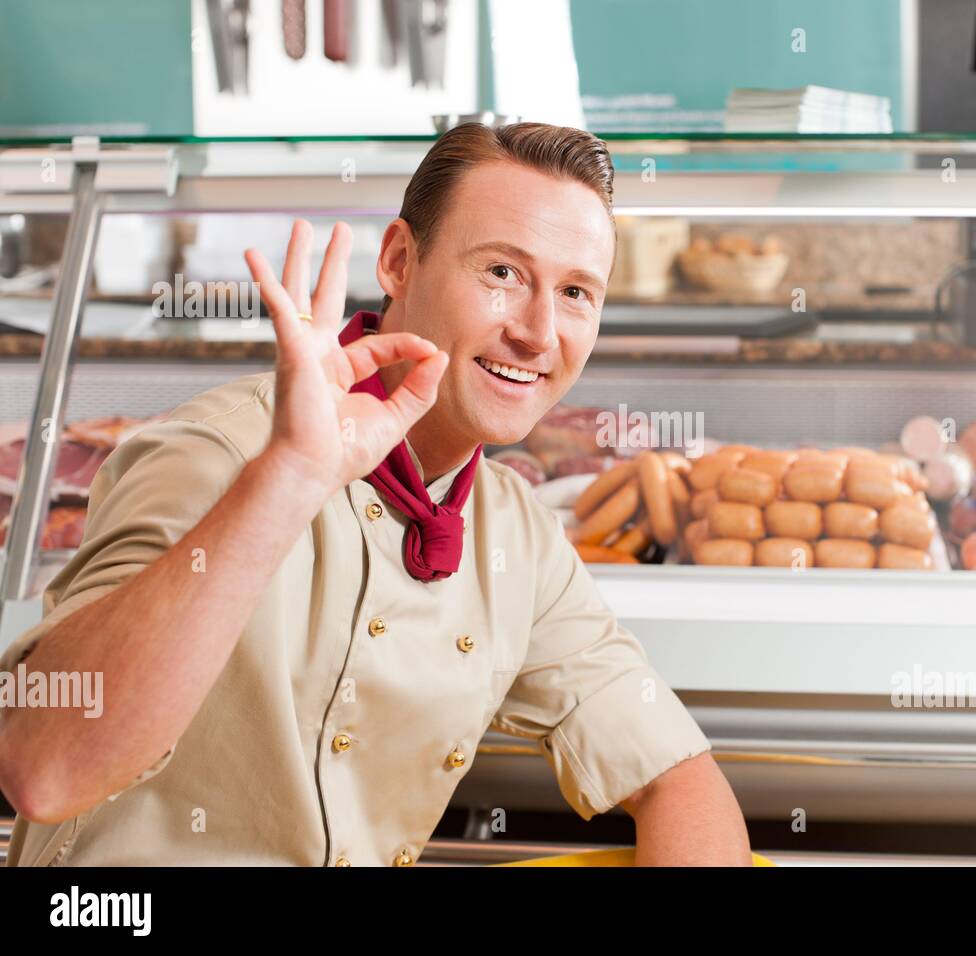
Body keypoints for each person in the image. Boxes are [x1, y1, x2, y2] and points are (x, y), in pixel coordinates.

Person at [0, 122, 752, 866]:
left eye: (576, 292)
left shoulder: (514, 536)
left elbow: (679, 778)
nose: (538, 332)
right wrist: (289, 476)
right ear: (398, 261)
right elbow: (44, 768)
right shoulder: (218, 454)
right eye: (502, 273)